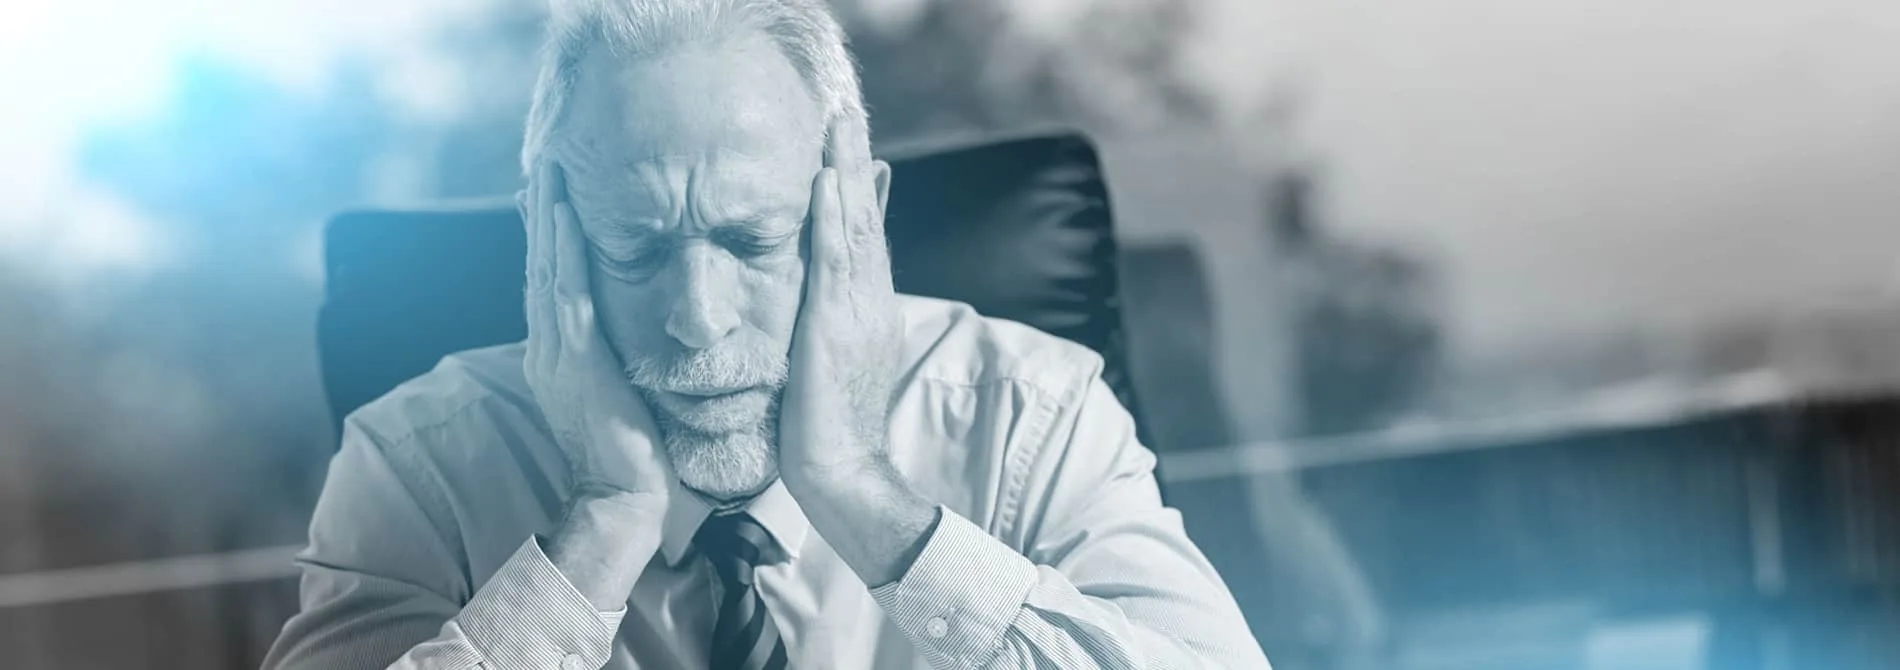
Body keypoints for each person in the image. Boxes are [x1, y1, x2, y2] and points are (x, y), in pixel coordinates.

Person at [264, 1, 1270, 668]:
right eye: (635, 250)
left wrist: (863, 493)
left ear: (857, 220)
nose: (696, 317)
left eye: (751, 240)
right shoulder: (415, 463)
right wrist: (602, 527)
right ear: (551, 241)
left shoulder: (1028, 416)